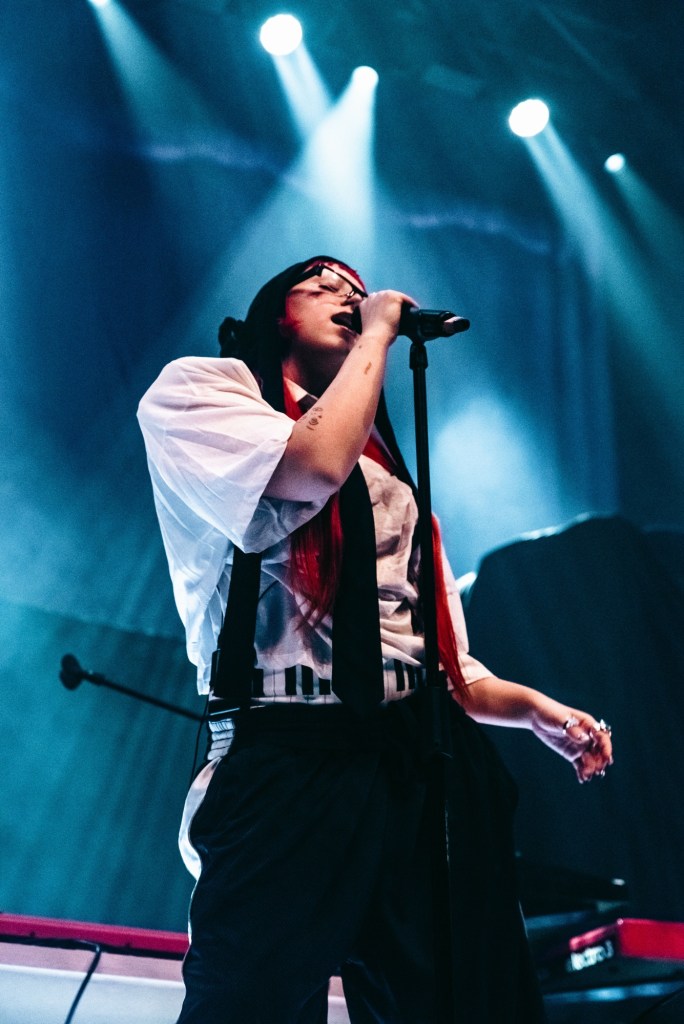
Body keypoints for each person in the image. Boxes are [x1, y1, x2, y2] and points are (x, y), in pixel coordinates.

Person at [137, 256, 613, 1024]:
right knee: (249, 1000)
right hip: (291, 747)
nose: (349, 296)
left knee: (454, 1000)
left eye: (357, 291)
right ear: (273, 311)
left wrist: (538, 713)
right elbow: (311, 465)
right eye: (322, 284)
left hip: (415, 751)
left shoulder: (392, 479)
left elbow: (446, 664)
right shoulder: (203, 391)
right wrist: (380, 332)